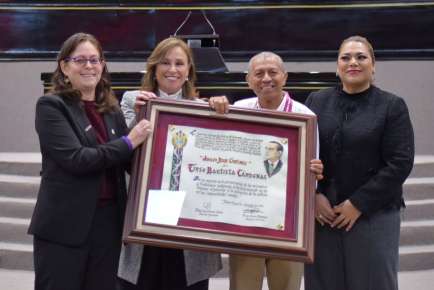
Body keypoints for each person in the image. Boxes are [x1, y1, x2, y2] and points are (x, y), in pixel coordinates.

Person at [28, 32, 151, 290]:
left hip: (108, 224)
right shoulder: (51, 106)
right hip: (64, 227)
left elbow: (128, 161)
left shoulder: (111, 108)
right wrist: (130, 140)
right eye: (80, 60)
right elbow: (77, 159)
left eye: (95, 60)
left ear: (103, 65)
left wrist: (156, 123)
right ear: (64, 66)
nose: (89, 66)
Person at [303, 35, 414, 290]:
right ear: (337, 66)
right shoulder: (317, 101)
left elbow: (400, 162)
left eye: (361, 57)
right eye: (346, 57)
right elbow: (306, 154)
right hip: (324, 215)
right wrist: (315, 194)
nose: (353, 62)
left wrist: (357, 204)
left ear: (373, 66)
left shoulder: (392, 106)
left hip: (374, 214)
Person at [210, 51, 323, 290]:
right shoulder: (237, 110)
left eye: (273, 72)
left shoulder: (305, 116)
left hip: (289, 223)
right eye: (259, 73)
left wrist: (315, 172)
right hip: (246, 220)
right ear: (248, 80)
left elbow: (311, 176)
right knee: (243, 286)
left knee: (286, 285)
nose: (266, 78)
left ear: (285, 76)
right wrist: (212, 104)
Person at [117, 37, 222, 290]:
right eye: (165, 62)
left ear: (188, 72)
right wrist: (141, 115)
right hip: (145, 211)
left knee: (184, 280)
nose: (172, 69)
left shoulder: (204, 108)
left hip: (189, 217)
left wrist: (221, 113)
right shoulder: (133, 100)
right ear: (153, 68)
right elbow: (122, 152)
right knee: (142, 280)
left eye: (179, 63)